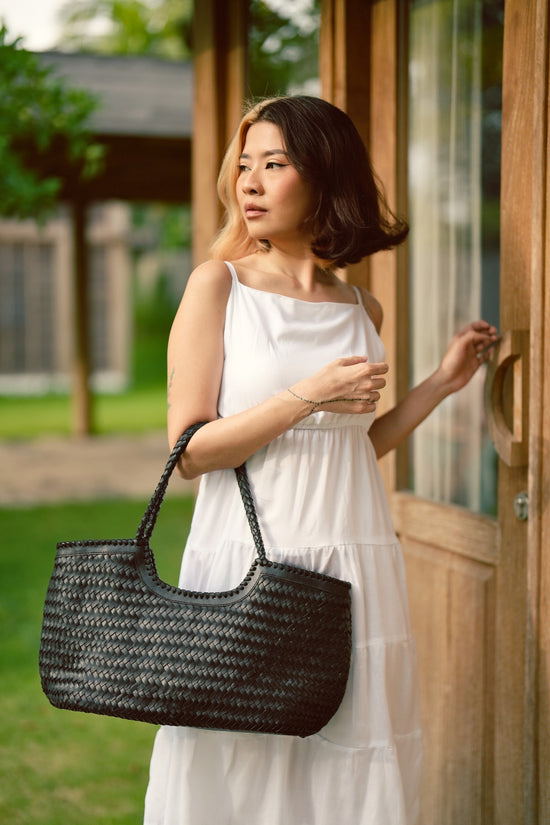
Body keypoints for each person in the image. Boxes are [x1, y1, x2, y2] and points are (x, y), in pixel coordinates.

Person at [144, 95, 498, 825]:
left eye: (274, 164)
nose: (250, 182)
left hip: (356, 562)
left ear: (324, 176)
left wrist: (441, 381)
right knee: (246, 756)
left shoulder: (359, 309)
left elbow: (350, 449)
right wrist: (306, 394)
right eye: (244, 165)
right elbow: (189, 452)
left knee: (349, 752)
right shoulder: (220, 286)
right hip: (252, 557)